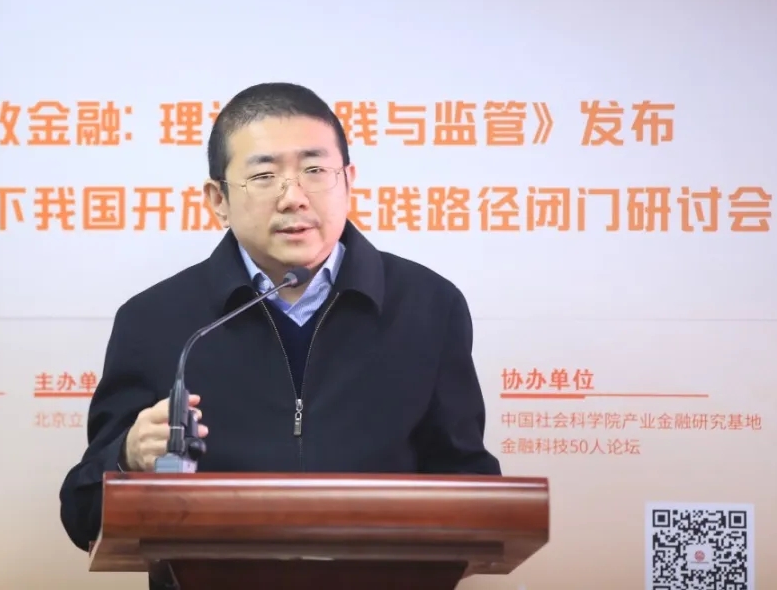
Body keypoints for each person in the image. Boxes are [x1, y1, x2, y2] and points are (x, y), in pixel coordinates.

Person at [59, 81, 501, 557]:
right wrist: (126, 458)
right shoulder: (154, 320)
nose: (294, 197)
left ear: (348, 181)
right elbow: (83, 514)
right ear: (218, 199)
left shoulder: (428, 306)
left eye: (315, 170)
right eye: (265, 176)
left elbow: (468, 482)